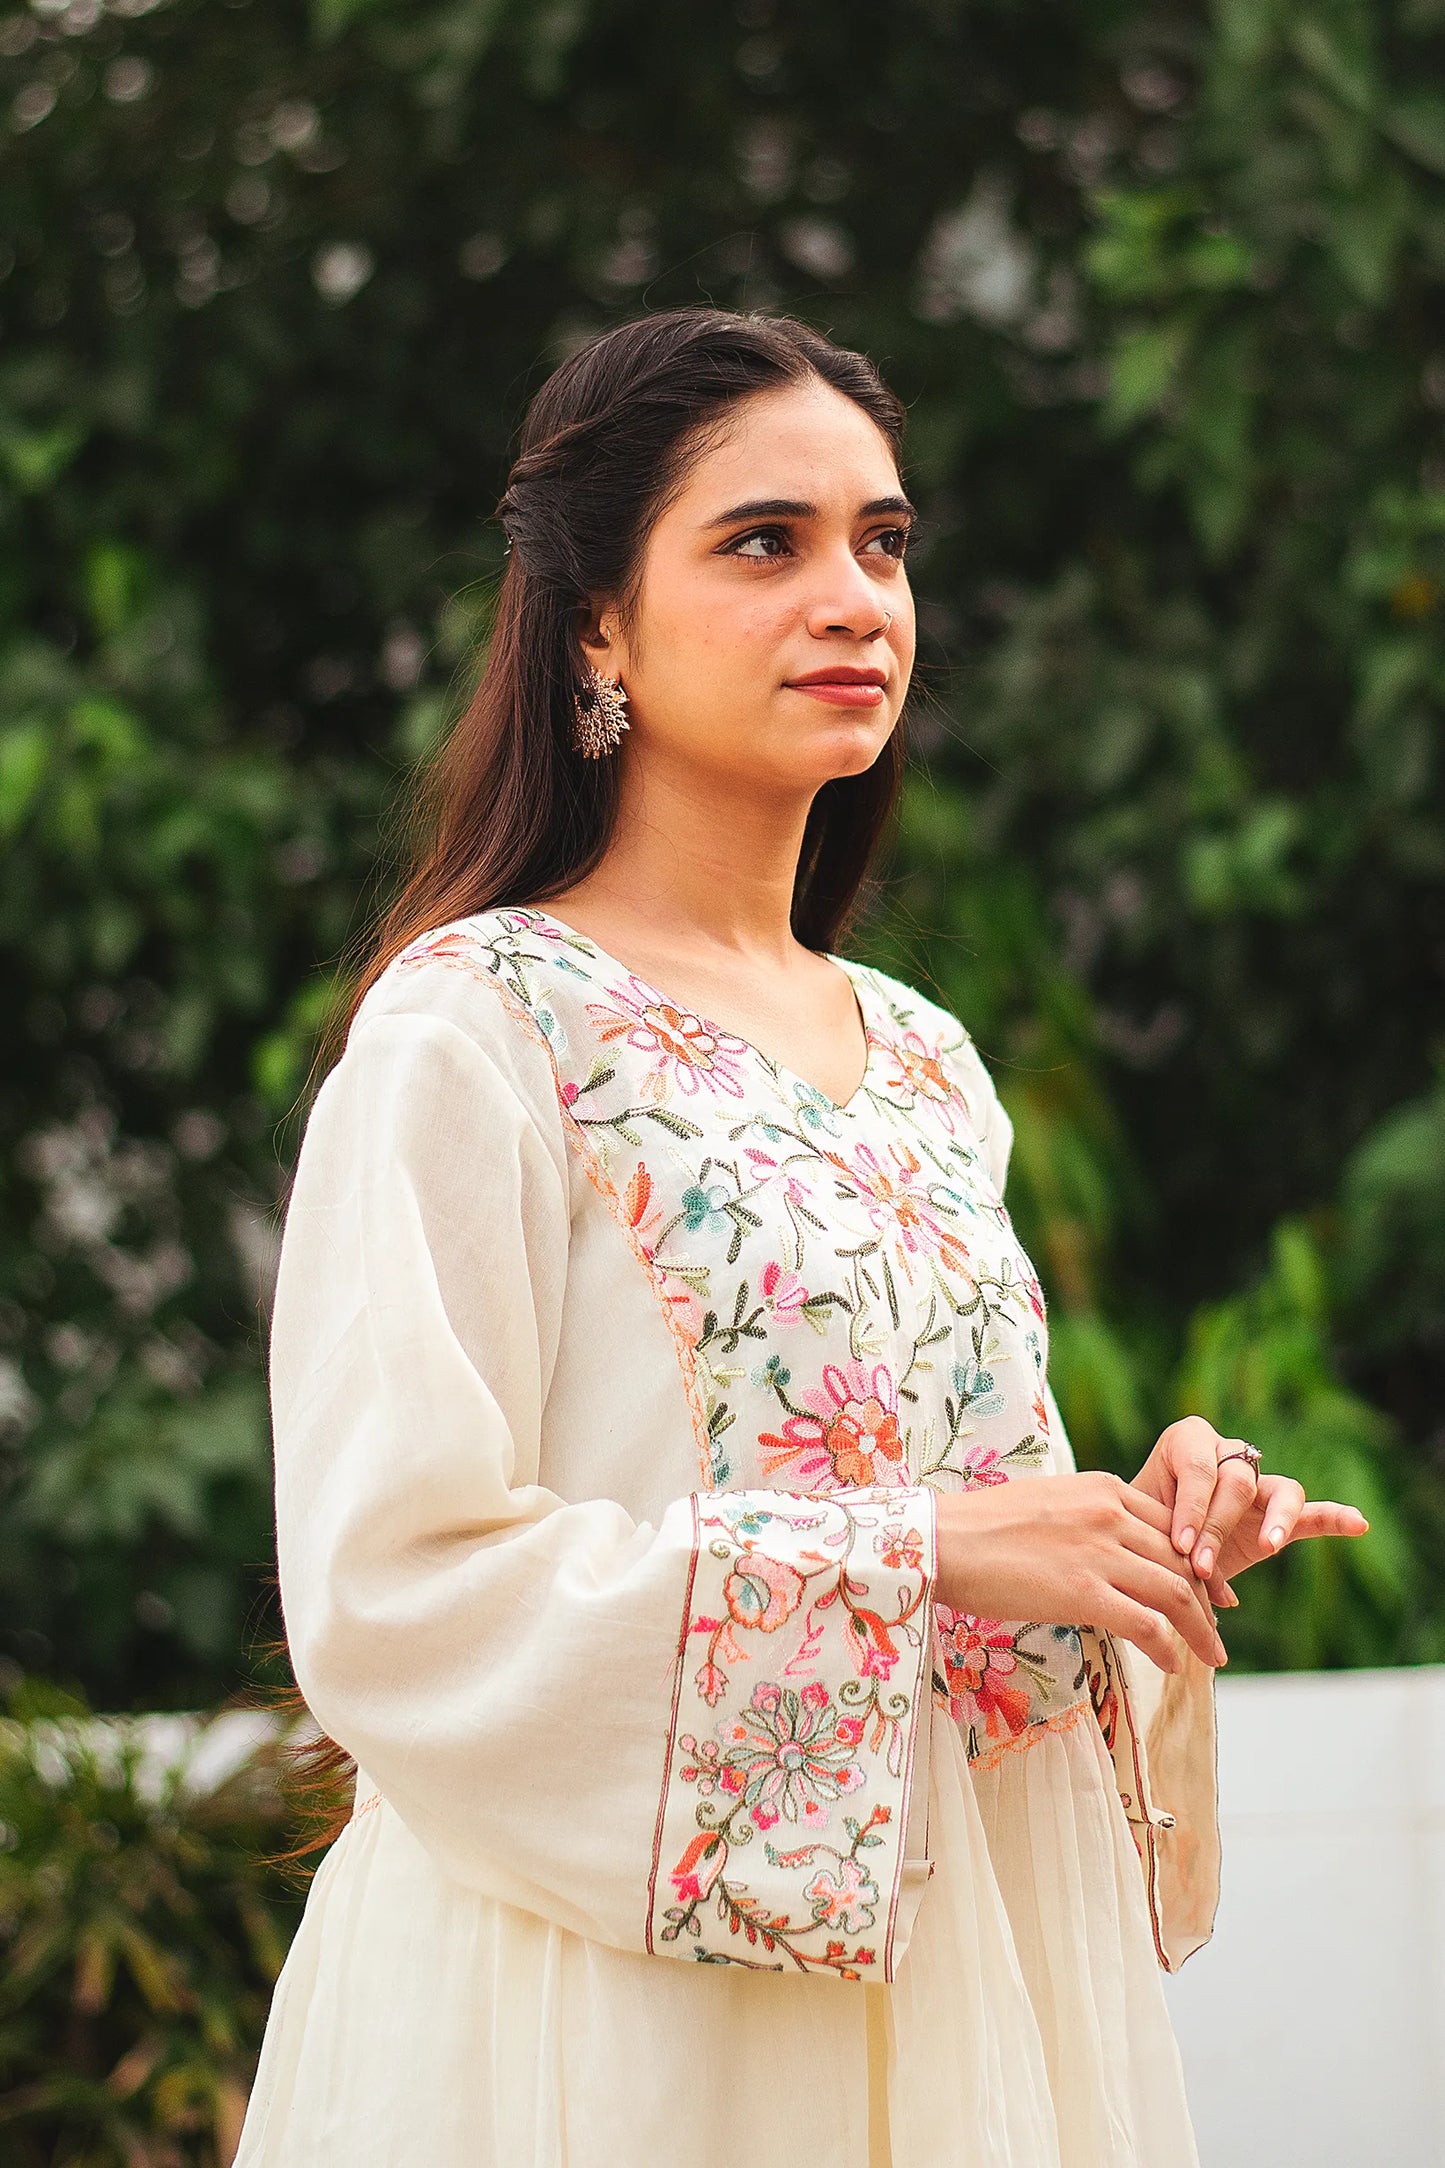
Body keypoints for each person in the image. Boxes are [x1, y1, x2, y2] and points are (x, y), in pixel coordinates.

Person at [233, 306, 1368, 2168]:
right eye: (764, 542)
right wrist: (920, 1546)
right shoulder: (480, 1028)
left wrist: (1116, 1543)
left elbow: (952, 1533)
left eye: (883, 541)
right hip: (601, 2022)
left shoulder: (921, 1057)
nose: (854, 598)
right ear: (593, 620)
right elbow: (393, 1591)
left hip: (943, 1994)